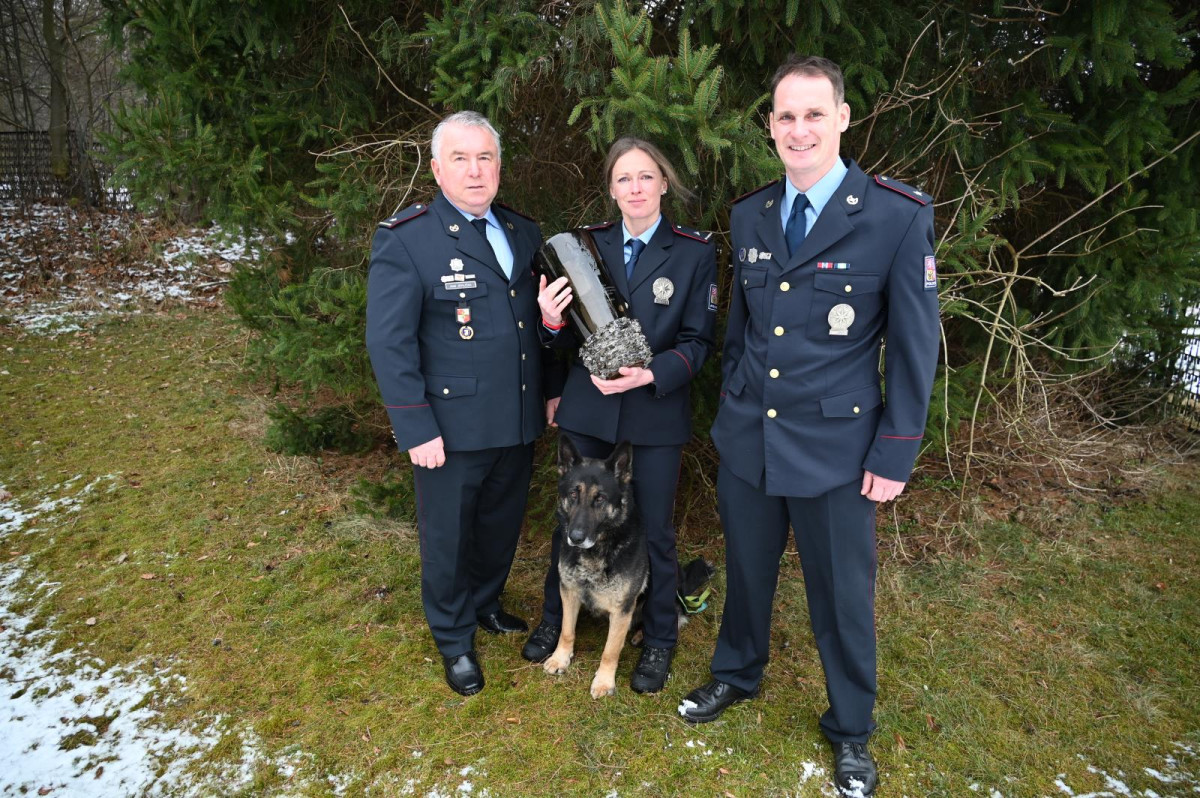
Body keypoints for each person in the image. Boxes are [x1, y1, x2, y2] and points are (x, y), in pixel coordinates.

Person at [677, 56, 941, 797]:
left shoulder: (895, 215)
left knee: (842, 597)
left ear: (843, 118)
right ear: (770, 125)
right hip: (750, 442)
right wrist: (732, 404)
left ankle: (851, 727)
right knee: (748, 574)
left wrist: (896, 450)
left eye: (814, 114)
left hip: (838, 449)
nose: (799, 129)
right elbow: (743, 331)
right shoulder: (751, 214)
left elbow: (916, 350)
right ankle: (735, 673)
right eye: (786, 116)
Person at [523, 137, 718, 694]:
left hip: (655, 414)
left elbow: (699, 342)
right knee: (570, 524)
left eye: (646, 177)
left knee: (654, 530)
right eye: (624, 179)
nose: (635, 188)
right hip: (590, 411)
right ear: (611, 189)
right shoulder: (584, 247)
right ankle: (550, 621)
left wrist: (653, 372)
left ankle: (658, 640)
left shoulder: (694, 251)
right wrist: (550, 320)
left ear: (664, 183)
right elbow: (555, 338)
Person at [365, 111, 548, 697]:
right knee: (448, 537)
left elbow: (534, 324)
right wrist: (415, 426)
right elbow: (389, 342)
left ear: (499, 166)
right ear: (438, 167)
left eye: (486, 158)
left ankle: (486, 603)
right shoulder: (407, 238)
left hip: (516, 417)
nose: (476, 170)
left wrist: (550, 392)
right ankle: (453, 638)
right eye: (462, 159)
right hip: (448, 425)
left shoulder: (522, 232)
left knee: (500, 525)